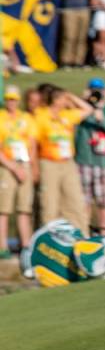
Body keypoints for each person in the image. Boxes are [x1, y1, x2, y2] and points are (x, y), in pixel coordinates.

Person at [35, 87, 93, 231]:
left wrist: (71, 96)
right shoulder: (41, 115)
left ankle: (81, 234)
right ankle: (49, 236)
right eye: (63, 98)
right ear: (55, 100)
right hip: (48, 163)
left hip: (68, 163)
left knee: (75, 200)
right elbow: (34, 142)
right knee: (50, 203)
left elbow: (88, 109)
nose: (66, 101)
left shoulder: (67, 115)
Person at [73, 81, 105, 234]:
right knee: (84, 201)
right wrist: (82, 102)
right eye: (93, 90)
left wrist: (101, 117)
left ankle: (104, 234)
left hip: (104, 162)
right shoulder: (81, 109)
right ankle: (84, 232)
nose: (96, 93)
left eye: (99, 90)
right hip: (84, 161)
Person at [0, 86, 37, 258]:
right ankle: (3, 247)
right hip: (7, 166)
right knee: (4, 210)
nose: (11, 102)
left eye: (14, 99)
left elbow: (31, 143)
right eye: (8, 99)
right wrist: (13, 167)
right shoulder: (1, 117)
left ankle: (26, 245)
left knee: (24, 209)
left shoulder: (26, 118)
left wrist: (29, 165)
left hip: (25, 164)